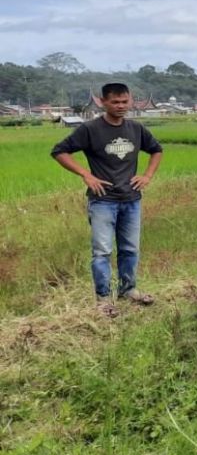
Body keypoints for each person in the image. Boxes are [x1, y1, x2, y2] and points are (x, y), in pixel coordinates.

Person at [51, 82, 164, 318]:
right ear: (103, 102)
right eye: (115, 102)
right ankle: (103, 299)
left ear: (131, 101)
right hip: (103, 200)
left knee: (130, 249)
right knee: (102, 252)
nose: (121, 106)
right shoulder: (90, 129)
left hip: (131, 199)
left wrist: (147, 175)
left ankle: (128, 290)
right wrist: (86, 175)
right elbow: (60, 151)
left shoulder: (136, 129)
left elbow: (156, 150)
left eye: (125, 101)